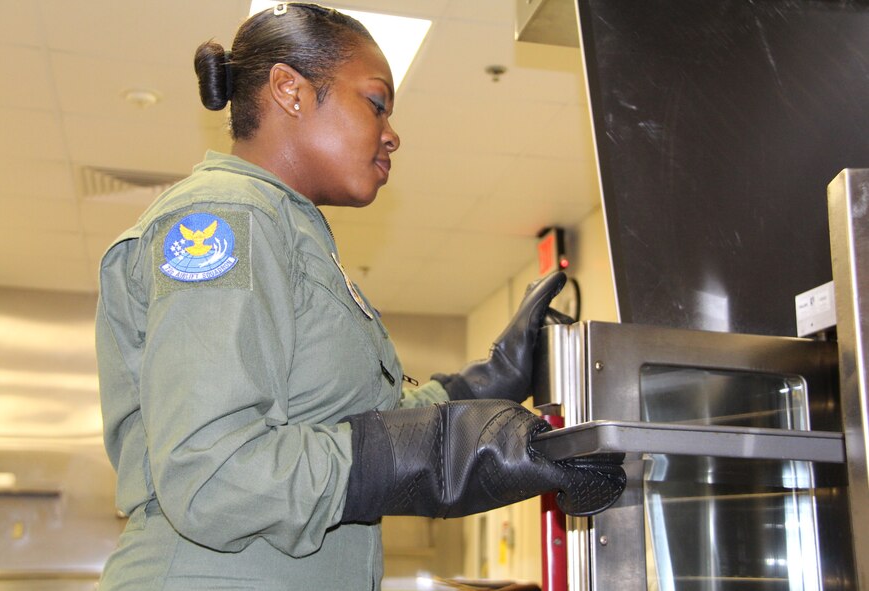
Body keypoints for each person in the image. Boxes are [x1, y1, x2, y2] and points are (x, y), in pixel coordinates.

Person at [94, 3, 625, 590]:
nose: (392, 134)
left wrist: (491, 382)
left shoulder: (289, 232)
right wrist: (440, 454)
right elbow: (214, 473)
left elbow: (364, 425)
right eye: (376, 104)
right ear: (289, 90)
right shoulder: (226, 218)